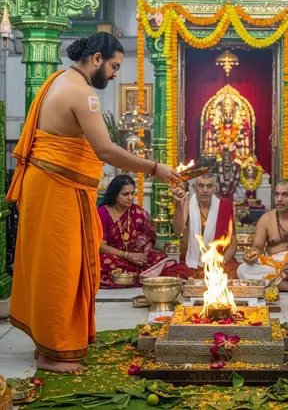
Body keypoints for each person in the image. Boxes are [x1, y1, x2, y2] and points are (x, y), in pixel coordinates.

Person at [6, 33, 181, 374]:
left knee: (52, 264)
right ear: (97, 59)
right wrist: (155, 169)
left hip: (49, 184)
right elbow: (105, 150)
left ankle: (48, 345)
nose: (116, 74)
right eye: (115, 66)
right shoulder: (82, 93)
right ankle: (52, 352)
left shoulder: (58, 80)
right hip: (57, 188)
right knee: (62, 267)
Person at [98, 175, 191, 291]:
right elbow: (101, 246)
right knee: (103, 264)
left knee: (176, 268)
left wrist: (142, 256)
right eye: (125, 194)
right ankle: (144, 276)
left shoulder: (137, 212)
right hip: (115, 257)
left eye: (133, 193)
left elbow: (148, 240)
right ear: (114, 194)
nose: (130, 197)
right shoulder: (103, 213)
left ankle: (140, 275)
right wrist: (127, 255)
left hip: (138, 258)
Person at [172, 172, 238, 278]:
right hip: (192, 264)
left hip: (218, 261)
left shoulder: (225, 206)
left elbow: (233, 240)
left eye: (209, 186)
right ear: (194, 187)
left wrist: (222, 261)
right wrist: (179, 204)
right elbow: (178, 230)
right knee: (171, 275)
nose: (205, 190)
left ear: (215, 188)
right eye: (201, 185)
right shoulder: (186, 205)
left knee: (237, 274)